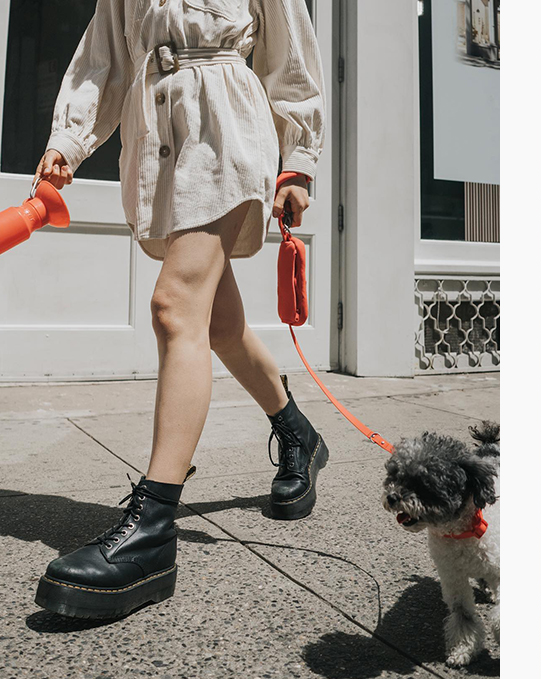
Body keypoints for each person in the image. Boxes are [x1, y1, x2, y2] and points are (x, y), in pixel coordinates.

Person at [33, 0, 326, 620]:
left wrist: (297, 160)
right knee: (217, 324)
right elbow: (104, 59)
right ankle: (298, 432)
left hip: (227, 131)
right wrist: (70, 139)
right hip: (159, 140)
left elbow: (289, 55)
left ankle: (154, 529)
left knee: (173, 306)